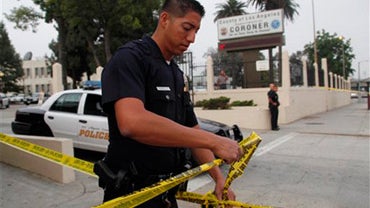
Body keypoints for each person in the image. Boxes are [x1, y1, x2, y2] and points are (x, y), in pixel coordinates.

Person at [99, 0, 243, 207]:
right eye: (187, 28)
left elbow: (191, 129)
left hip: (166, 193)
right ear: (165, 19)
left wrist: (220, 179)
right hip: (132, 196)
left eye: (196, 31)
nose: (192, 38)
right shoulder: (130, 59)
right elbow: (132, 123)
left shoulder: (176, 74)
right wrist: (214, 140)